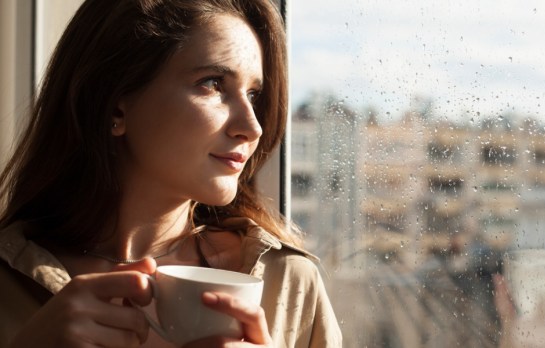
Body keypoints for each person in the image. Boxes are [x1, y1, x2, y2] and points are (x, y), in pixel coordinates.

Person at [0, 0, 342, 346]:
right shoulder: (9, 285)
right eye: (213, 83)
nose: (252, 127)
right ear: (115, 102)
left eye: (253, 94)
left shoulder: (289, 284)